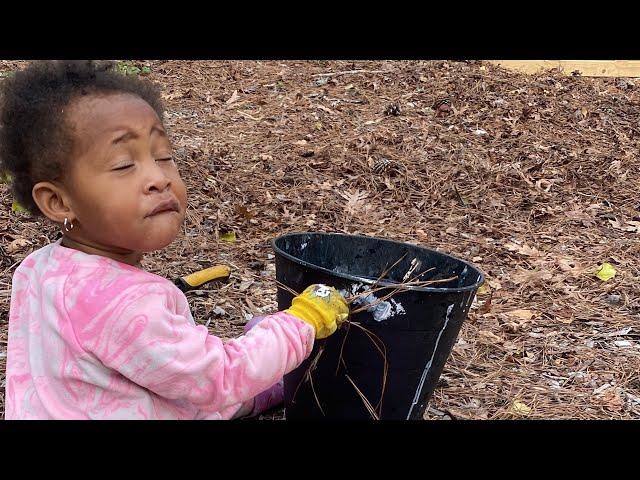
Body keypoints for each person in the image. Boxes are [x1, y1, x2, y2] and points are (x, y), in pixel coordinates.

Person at [0, 60, 348, 419]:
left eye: (163, 157)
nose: (158, 178)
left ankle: (261, 375)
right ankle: (265, 368)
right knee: (235, 377)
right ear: (58, 201)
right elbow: (221, 378)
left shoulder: (36, 268)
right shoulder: (131, 305)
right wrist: (300, 323)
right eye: (123, 164)